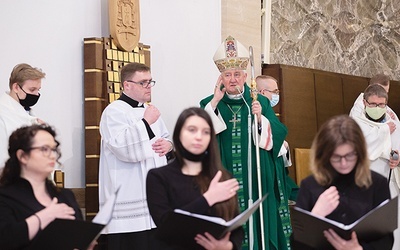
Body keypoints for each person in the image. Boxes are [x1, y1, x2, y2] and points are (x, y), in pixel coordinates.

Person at [200, 35, 290, 250]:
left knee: (257, 224)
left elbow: (278, 135)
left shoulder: (259, 101)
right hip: (224, 175)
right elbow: (201, 137)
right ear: (220, 77)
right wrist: (214, 102)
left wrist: (261, 119)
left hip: (256, 179)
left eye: (237, 74)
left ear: (245, 75)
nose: (233, 79)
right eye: (227, 75)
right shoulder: (209, 103)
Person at [98, 62, 173, 249]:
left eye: (150, 82)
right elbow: (121, 147)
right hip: (128, 200)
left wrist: (169, 145)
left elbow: (165, 138)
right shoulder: (114, 111)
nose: (149, 87)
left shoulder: (150, 110)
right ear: (127, 85)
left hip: (154, 200)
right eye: (143, 83)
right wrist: (145, 123)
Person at [146, 107, 243, 249]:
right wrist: (208, 198)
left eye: (206, 132)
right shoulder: (159, 177)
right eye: (192, 130)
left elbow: (236, 227)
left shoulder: (222, 176)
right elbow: (166, 225)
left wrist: (227, 246)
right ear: (179, 134)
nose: (199, 137)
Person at [294, 115, 394, 249]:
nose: (343, 163)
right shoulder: (310, 185)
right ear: (324, 154)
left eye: (350, 155)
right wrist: (315, 216)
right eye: (336, 156)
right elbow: (296, 245)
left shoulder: (377, 184)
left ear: (360, 152)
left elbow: (386, 240)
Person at [0, 124, 85, 249]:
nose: (52, 155)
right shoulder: (5, 197)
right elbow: (5, 239)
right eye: (44, 149)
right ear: (22, 156)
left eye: (54, 149)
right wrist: (45, 216)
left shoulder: (65, 196)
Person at [349, 84, 400, 250]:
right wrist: (384, 132)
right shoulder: (355, 123)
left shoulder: (394, 123)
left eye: (381, 105)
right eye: (373, 105)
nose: (377, 108)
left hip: (389, 183)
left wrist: (397, 158)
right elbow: (362, 148)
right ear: (364, 103)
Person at [256, 75, 299, 201]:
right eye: (275, 92)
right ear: (263, 92)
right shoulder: (256, 108)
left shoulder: (268, 111)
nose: (277, 95)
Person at [0, 63, 46, 171]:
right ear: (16, 87)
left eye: (38, 90)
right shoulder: (3, 115)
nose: (35, 94)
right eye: (32, 89)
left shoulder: (27, 113)